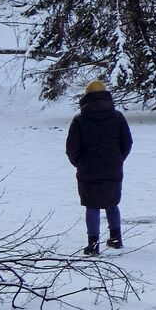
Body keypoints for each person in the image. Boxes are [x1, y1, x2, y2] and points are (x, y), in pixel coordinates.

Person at [65, 79, 133, 254]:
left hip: (88, 169)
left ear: (86, 97)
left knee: (92, 206)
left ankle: (93, 244)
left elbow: (72, 148)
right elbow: (127, 142)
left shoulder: (79, 120)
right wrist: (118, 159)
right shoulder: (117, 117)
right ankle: (116, 238)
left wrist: (79, 163)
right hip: (113, 167)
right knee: (112, 203)